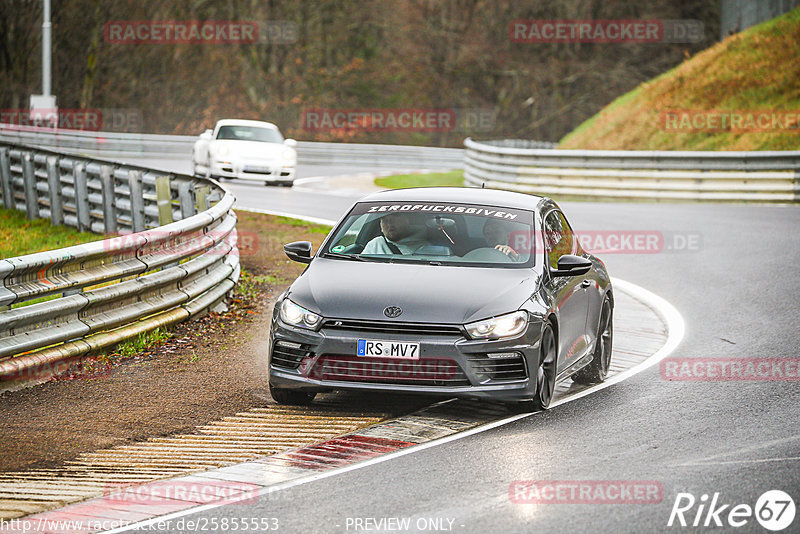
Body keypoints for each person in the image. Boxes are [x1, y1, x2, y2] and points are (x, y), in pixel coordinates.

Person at [362, 212, 430, 255]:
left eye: (394, 219)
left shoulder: (427, 246)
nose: (389, 224)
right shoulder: (375, 245)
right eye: (385, 221)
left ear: (406, 221)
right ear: (381, 227)